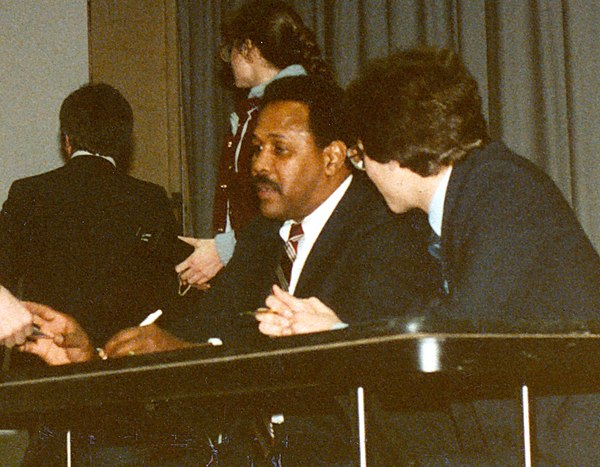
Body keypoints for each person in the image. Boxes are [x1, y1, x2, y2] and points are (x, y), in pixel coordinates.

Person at [25, 74, 438, 465]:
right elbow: (202, 329)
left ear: (331, 158)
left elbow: (356, 368)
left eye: (280, 150)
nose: (259, 165)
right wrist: (93, 359)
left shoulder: (388, 229)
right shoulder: (261, 238)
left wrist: (187, 355)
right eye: (257, 148)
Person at [256, 48, 600, 464]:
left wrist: (341, 336)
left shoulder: (503, 192)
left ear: (395, 152)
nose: (363, 172)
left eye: (362, 157)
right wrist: (336, 332)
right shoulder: (478, 191)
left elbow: (456, 342)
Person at [0, 83, 184, 349]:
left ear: (66, 140)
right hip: (124, 361)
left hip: (48, 355)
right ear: (124, 144)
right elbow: (169, 294)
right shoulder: (150, 198)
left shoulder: (27, 193)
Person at [176, 0, 334, 289]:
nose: (228, 61)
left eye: (229, 51)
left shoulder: (298, 107)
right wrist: (220, 253)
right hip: (254, 263)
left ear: (248, 47)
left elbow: (296, 204)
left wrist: (223, 251)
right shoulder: (251, 108)